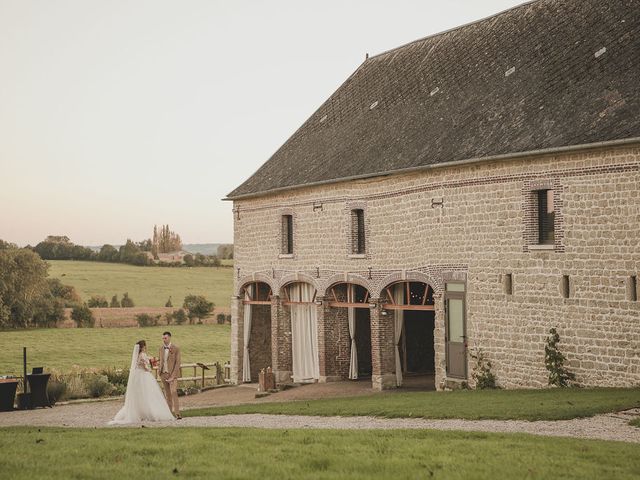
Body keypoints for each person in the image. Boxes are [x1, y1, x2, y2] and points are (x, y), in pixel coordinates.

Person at [109, 340, 175, 424]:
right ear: (143, 347)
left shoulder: (138, 355)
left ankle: (139, 413)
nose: (146, 347)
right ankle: (151, 413)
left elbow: (139, 365)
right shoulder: (143, 355)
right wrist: (150, 369)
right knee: (148, 394)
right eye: (145, 346)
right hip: (144, 375)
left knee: (139, 395)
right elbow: (145, 366)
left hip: (138, 376)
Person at [158, 331, 181, 419]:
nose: (164, 340)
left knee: (174, 392)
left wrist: (173, 376)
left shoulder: (176, 348)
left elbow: (178, 363)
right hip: (163, 374)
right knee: (167, 395)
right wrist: (160, 372)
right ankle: (169, 414)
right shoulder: (160, 348)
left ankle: (178, 413)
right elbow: (161, 360)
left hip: (172, 375)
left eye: (165, 338)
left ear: (170, 338)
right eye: (163, 338)